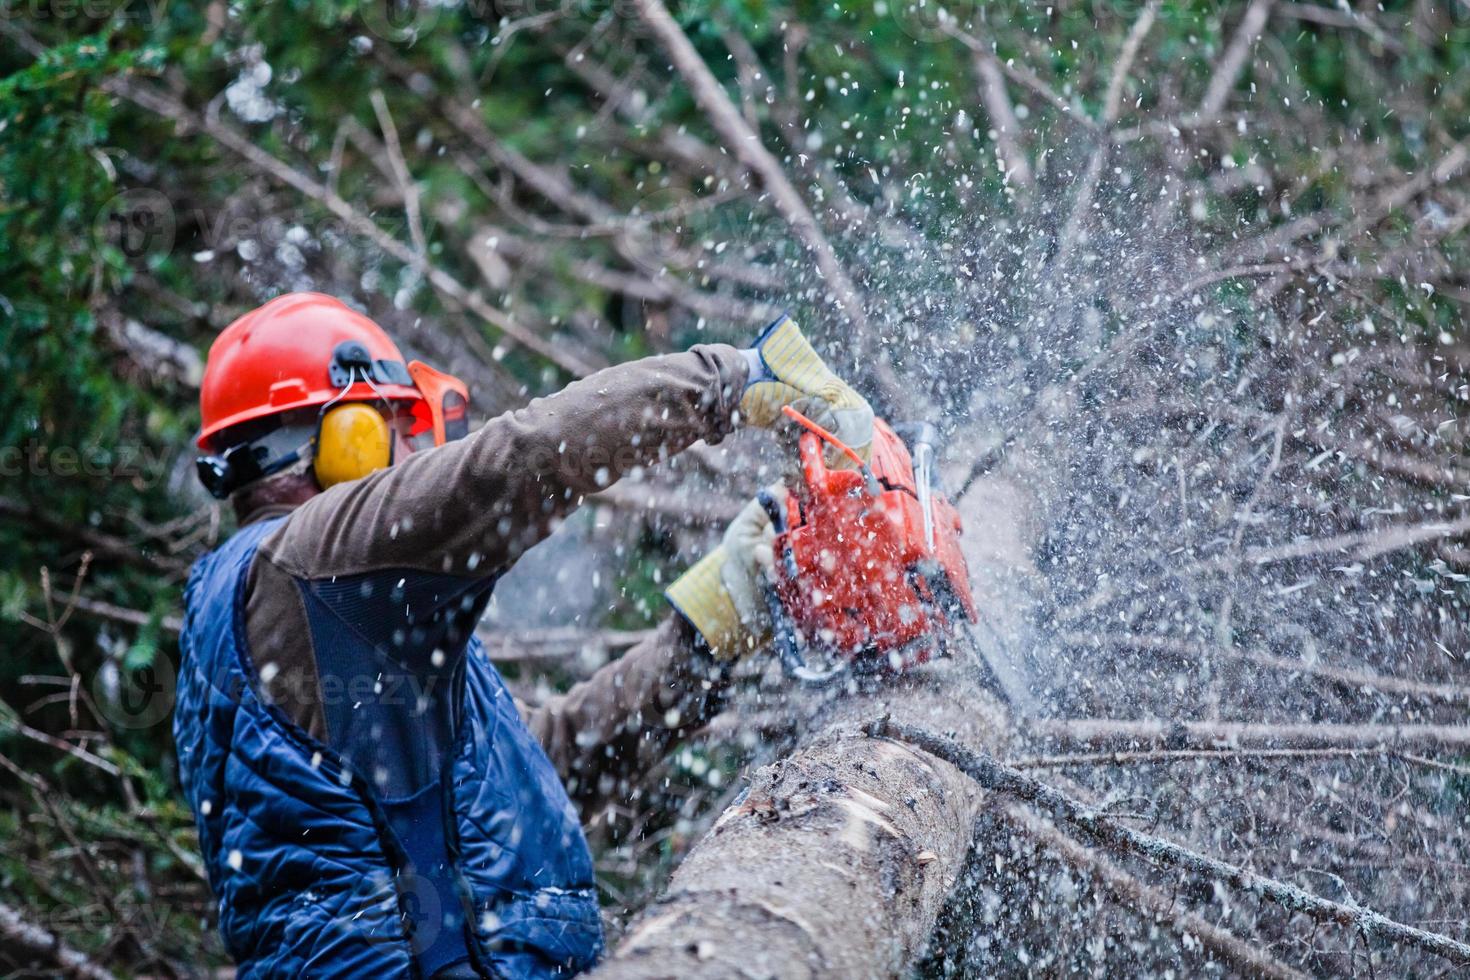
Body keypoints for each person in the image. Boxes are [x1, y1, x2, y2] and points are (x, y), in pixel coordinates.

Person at [174, 292, 872, 978]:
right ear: (343, 438)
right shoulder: (314, 563)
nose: (411, 449)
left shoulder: (308, 609)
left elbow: (541, 771)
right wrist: (736, 378)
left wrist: (709, 628)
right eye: (392, 424)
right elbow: (519, 461)